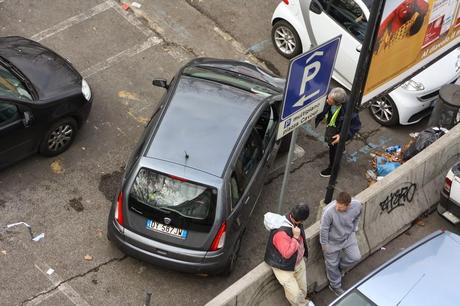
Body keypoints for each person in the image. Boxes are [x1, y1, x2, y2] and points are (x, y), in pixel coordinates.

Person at [264, 204, 315, 306]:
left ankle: (303, 302)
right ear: (301, 220)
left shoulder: (292, 220)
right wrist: (295, 237)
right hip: (284, 267)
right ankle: (303, 304)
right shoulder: (280, 234)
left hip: (298, 262)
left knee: (303, 290)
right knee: (295, 295)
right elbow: (287, 254)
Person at [319, 192, 362, 296]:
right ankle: (335, 286)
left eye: (341, 207)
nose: (337, 208)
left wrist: (354, 228)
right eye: (337, 205)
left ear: (348, 205)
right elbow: (323, 229)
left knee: (356, 257)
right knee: (331, 266)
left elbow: (358, 216)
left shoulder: (357, 205)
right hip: (332, 242)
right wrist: (324, 245)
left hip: (348, 238)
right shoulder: (328, 211)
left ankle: (340, 268)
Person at [315, 87, 361, 178]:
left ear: (337, 103)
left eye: (329, 100)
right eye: (328, 98)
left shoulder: (350, 109)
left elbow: (355, 126)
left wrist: (342, 136)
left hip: (339, 130)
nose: (327, 100)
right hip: (333, 122)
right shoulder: (330, 93)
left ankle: (332, 169)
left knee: (333, 148)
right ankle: (341, 148)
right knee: (336, 146)